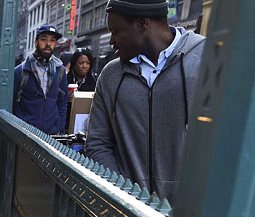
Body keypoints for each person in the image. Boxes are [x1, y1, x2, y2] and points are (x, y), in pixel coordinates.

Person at [85, 0, 206, 202]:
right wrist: (123, 194)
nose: (111, 41)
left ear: (142, 23)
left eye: (116, 31)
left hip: (191, 216)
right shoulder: (111, 76)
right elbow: (98, 143)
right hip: (129, 216)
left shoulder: (205, 58)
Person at [12, 25, 69, 134]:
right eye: (44, 39)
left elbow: (62, 102)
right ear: (36, 42)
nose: (48, 44)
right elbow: (12, 103)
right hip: (25, 135)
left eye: (52, 40)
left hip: (51, 137)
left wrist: (59, 127)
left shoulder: (60, 71)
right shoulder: (21, 71)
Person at [66, 49, 98, 125]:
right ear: (74, 64)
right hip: (67, 120)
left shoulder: (95, 82)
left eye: (88, 63)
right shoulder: (65, 80)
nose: (85, 66)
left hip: (86, 121)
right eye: (81, 63)